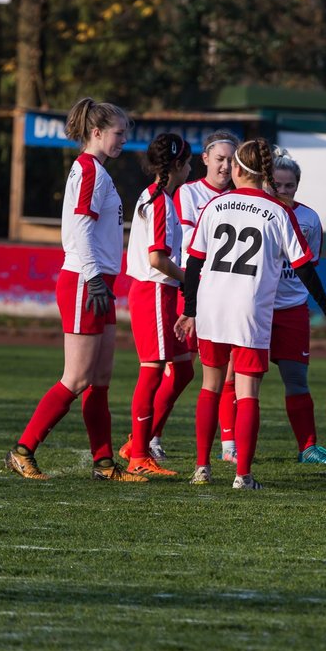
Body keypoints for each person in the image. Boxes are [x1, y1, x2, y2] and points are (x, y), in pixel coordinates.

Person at [176, 138, 326, 488]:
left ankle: (202, 468)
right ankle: (243, 475)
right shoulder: (278, 211)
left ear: (236, 169)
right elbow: (304, 268)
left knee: (210, 386)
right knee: (248, 391)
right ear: (265, 173)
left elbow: (194, 263)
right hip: (249, 310)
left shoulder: (216, 205)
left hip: (211, 306)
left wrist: (190, 309)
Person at [5, 97, 144, 482]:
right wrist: (94, 276)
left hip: (98, 282)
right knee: (77, 378)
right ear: (96, 133)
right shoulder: (89, 170)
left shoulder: (96, 170)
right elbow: (79, 229)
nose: (123, 141)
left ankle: (103, 465)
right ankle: (22, 450)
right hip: (86, 281)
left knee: (100, 380)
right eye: (119, 133)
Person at [116, 133, 194, 478]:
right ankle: (138, 455)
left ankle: (138, 443)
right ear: (177, 165)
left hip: (160, 291)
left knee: (184, 369)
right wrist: (191, 280)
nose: (191, 168)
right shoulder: (160, 201)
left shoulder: (157, 197)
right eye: (189, 162)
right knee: (151, 371)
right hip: (154, 291)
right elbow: (158, 258)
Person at [161, 131, 239, 464]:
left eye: (231, 161)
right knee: (181, 370)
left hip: (227, 293)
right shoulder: (188, 193)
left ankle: (229, 443)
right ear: (205, 159)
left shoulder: (241, 198)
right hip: (193, 290)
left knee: (230, 369)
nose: (225, 167)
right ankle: (148, 436)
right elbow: (190, 242)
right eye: (219, 159)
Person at [270, 149, 326, 464]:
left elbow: (308, 268)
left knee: (297, 379)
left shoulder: (309, 219)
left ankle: (308, 447)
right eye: (277, 185)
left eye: (290, 186)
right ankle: (230, 444)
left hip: (293, 310)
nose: (283, 191)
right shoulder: (259, 212)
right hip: (255, 309)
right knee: (238, 378)